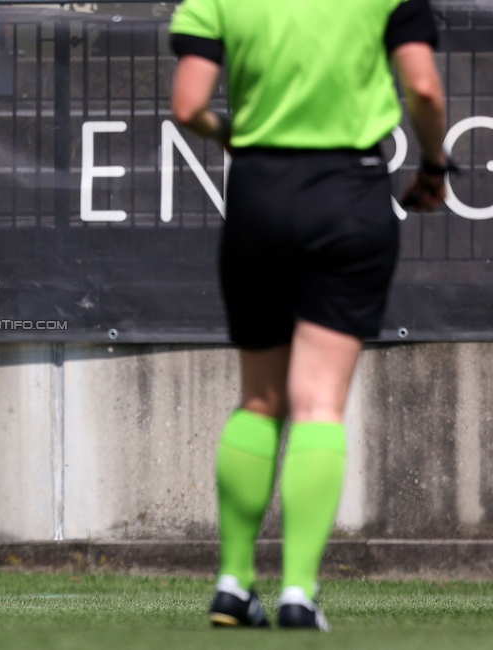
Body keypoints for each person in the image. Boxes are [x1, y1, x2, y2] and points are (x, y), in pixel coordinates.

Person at [170, 0, 448, 631]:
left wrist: (227, 133)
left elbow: (187, 107)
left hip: (259, 194)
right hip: (351, 192)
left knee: (260, 400)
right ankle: (299, 592)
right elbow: (424, 89)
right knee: (320, 402)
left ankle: (232, 586)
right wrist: (434, 165)